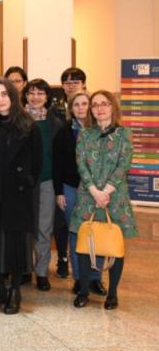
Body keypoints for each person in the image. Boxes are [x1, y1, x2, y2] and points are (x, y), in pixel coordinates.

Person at [0, 78, 41, 315]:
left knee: (14, 243)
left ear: (12, 96)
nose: (0, 99)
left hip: (17, 193)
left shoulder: (27, 125)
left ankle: (14, 291)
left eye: (4, 94)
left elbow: (37, 163)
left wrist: (27, 181)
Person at [70, 91, 138, 310]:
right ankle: (83, 291)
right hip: (88, 196)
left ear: (112, 107)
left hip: (115, 197)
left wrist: (106, 191)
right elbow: (81, 164)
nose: (99, 108)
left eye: (104, 104)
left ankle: (113, 294)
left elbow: (123, 165)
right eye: (95, 105)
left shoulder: (124, 134)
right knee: (84, 242)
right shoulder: (85, 134)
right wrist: (95, 191)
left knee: (114, 245)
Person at [54, 91, 105, 296]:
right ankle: (79, 278)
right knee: (76, 233)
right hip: (70, 188)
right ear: (70, 108)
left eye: (85, 104)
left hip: (96, 190)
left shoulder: (100, 131)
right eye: (76, 105)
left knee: (97, 232)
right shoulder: (64, 132)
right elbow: (57, 165)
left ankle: (96, 278)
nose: (81, 108)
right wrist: (59, 192)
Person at [24, 78, 64, 291]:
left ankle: (41, 272)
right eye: (31, 92)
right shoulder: (18, 119)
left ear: (47, 97)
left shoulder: (55, 122)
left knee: (43, 228)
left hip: (47, 181)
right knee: (23, 227)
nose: (35, 97)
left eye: (40, 93)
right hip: (23, 183)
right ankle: (23, 268)